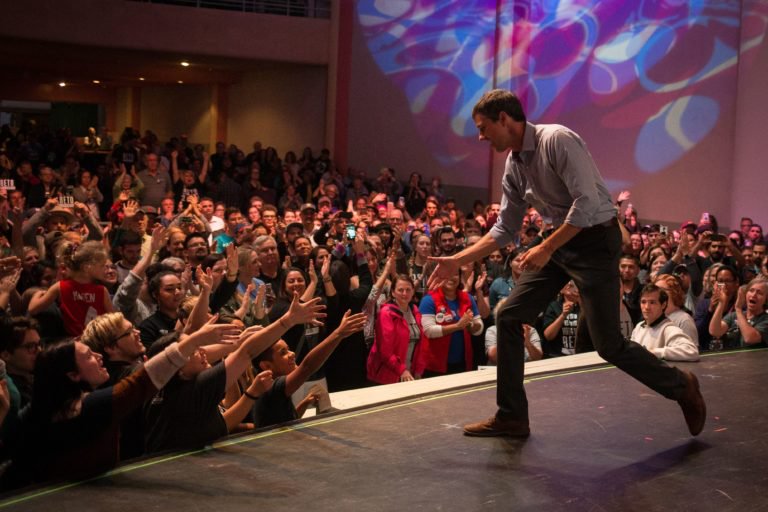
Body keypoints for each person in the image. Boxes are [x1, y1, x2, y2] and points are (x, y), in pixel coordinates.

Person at [427, 89, 705, 438]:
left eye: (484, 127)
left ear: (504, 119)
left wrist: (545, 247)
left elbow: (586, 204)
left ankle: (682, 386)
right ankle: (512, 416)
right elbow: (505, 227)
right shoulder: (514, 166)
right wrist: (457, 260)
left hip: (594, 241)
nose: (481, 136)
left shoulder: (555, 140)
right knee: (509, 315)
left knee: (608, 346)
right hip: (559, 241)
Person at [253, 309, 367, 428]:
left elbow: (285, 422)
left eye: (288, 349)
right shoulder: (271, 388)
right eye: (283, 353)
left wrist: (305, 403)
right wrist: (338, 334)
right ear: (266, 366)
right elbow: (307, 367)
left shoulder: (272, 387)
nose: (291, 354)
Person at [28, 241, 114, 337]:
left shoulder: (60, 286)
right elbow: (113, 321)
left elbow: (32, 309)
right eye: (102, 266)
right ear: (87, 268)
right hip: (95, 342)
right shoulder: (101, 291)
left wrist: (38, 294)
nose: (106, 270)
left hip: (73, 343)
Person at [367, 275, 428, 384]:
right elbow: (385, 351)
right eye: (400, 290)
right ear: (393, 292)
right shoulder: (386, 313)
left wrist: (419, 370)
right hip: (388, 374)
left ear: (413, 291)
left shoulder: (415, 310)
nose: (405, 293)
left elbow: (421, 344)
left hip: (409, 373)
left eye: (408, 290)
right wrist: (402, 370)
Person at [631, 284, 699, 362]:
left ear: (663, 305)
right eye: (643, 302)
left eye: (652, 302)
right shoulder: (639, 327)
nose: (647, 307)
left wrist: (656, 352)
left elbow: (692, 351)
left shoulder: (669, 329)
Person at [708, 278, 768, 349]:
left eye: (759, 293)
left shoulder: (765, 319)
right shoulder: (733, 316)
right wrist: (721, 303)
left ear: (766, 299)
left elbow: (749, 338)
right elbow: (715, 331)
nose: (754, 295)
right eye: (751, 290)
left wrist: (738, 309)